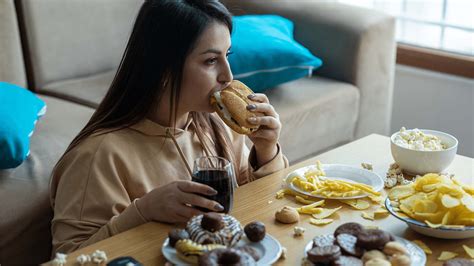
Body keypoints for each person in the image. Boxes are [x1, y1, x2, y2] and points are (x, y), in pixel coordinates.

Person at [50, 0, 288, 254]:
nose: (228, 76)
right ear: (163, 69)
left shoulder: (220, 124)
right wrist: (143, 212)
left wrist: (266, 151)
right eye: (210, 61)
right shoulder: (97, 156)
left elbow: (259, 210)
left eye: (226, 56)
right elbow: (68, 257)